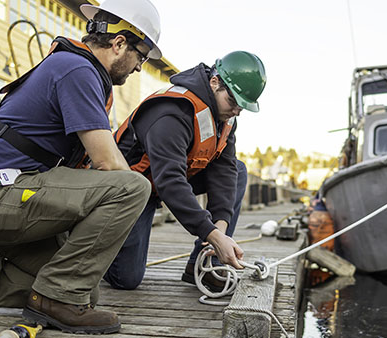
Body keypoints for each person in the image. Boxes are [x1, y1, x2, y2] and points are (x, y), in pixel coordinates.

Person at [0, 0, 163, 334]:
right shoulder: (78, 70)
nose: (138, 68)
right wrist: (126, 216)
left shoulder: (76, 69)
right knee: (134, 187)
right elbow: (108, 163)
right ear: (120, 43)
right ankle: (55, 302)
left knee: (81, 288)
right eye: (142, 57)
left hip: (3, 199)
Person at [103, 51, 267, 292]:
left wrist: (219, 229)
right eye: (233, 102)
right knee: (126, 279)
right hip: (130, 192)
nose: (236, 111)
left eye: (242, 107)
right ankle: (97, 249)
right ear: (215, 82)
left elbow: (225, 171)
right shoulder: (172, 111)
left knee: (239, 171)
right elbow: (170, 181)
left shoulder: (226, 118)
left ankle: (204, 265)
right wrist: (210, 233)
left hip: (159, 184)